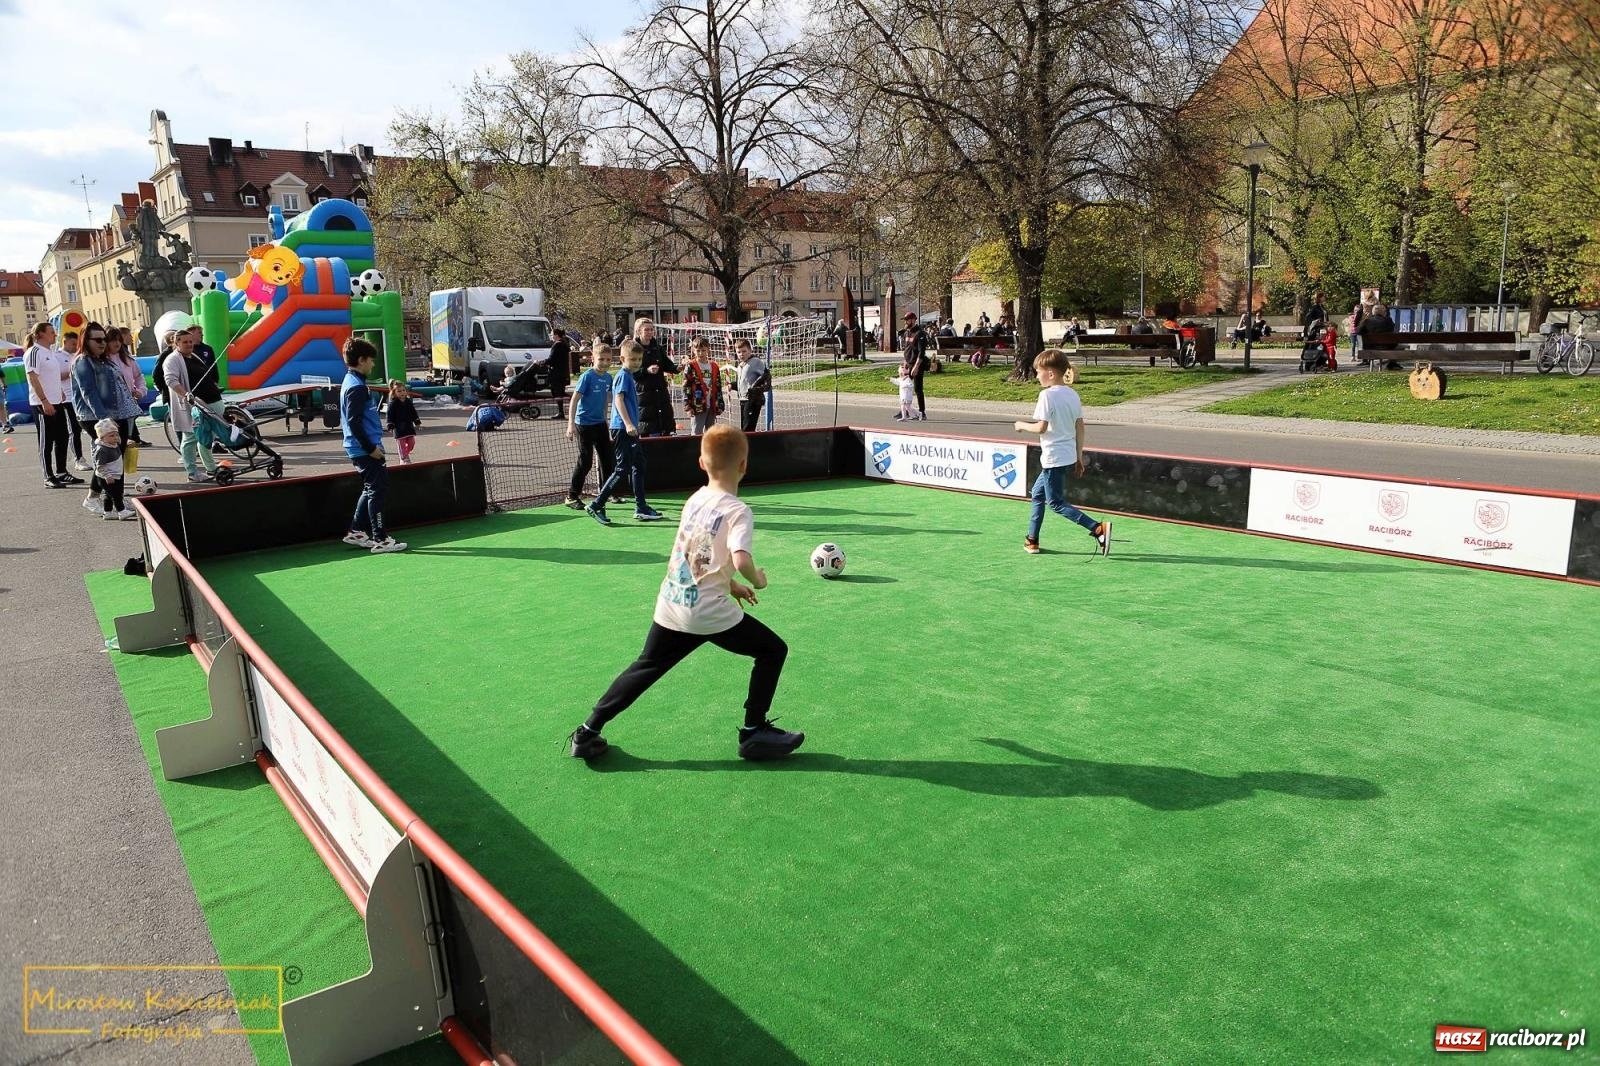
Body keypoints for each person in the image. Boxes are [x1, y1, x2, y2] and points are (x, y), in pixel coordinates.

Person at [569, 424, 802, 762]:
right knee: (773, 651)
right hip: (707, 612)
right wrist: (757, 580)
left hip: (673, 602)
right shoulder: (737, 511)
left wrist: (731, 585)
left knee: (646, 666)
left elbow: (698, 556)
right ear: (743, 465)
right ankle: (754, 732)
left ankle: (588, 731)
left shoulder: (695, 500)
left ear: (702, 463)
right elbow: (740, 559)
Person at [1013, 348, 1112, 557]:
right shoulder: (1072, 394)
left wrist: (1021, 425)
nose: (1036, 376)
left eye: (1038, 372)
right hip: (1067, 456)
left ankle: (1097, 529)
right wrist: (1078, 457)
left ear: (1050, 373)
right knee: (1037, 494)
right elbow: (1080, 427)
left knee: (1056, 503)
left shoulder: (1046, 395)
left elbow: (1041, 428)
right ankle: (1032, 540)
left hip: (1053, 457)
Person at [586, 340, 665, 526]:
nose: (636, 363)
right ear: (622, 359)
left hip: (629, 429)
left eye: (639, 359)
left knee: (639, 464)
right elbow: (618, 400)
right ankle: (597, 504)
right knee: (622, 469)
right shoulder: (623, 376)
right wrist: (628, 423)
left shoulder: (630, 375)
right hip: (623, 428)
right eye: (632, 359)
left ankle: (641, 507)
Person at [339, 337, 407, 554]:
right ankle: (381, 538)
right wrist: (371, 449)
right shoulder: (356, 388)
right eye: (371, 360)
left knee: (371, 488)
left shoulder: (351, 381)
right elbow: (354, 422)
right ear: (361, 360)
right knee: (378, 490)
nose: (373, 364)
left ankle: (357, 531)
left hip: (358, 446)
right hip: (364, 448)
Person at [70, 322, 142, 513]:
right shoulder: (83, 362)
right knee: (108, 460)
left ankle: (111, 500)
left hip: (118, 413)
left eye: (104, 339)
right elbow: (88, 392)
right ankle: (104, 502)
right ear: (86, 340)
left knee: (115, 459)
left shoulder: (103, 360)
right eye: (98, 340)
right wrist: (104, 420)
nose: (103, 343)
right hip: (96, 416)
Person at [23, 322, 80, 488]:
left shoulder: (51, 352)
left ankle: (61, 472)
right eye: (51, 332)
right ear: (41, 334)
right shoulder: (34, 352)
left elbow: (52, 376)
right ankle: (48, 475)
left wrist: (59, 391)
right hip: (42, 404)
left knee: (62, 437)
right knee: (46, 441)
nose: (55, 335)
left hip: (57, 402)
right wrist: (44, 401)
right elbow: (33, 378)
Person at [161, 329, 219, 483]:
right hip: (190, 405)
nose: (189, 344)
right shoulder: (172, 359)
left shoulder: (194, 355)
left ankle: (211, 467)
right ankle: (192, 472)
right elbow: (171, 380)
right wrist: (185, 394)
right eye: (185, 342)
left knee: (207, 436)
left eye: (190, 341)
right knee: (190, 437)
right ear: (176, 343)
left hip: (207, 402)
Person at [565, 343, 615, 509]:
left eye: (608, 360)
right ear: (593, 358)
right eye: (601, 359)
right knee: (585, 461)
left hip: (600, 423)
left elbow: (605, 400)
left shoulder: (608, 378)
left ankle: (606, 493)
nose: (605, 363)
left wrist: (605, 419)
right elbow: (574, 400)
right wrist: (571, 425)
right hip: (584, 424)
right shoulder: (587, 377)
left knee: (607, 459)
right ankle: (572, 496)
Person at [631, 317, 677, 436]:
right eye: (646, 330)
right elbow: (631, 371)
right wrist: (646, 370)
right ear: (638, 331)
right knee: (647, 426)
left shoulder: (657, 347)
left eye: (651, 329)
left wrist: (677, 368)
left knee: (664, 424)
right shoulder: (633, 348)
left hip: (660, 391)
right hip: (644, 393)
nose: (650, 332)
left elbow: (666, 364)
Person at [104, 326, 147, 446]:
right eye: (113, 340)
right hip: (109, 409)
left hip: (128, 407)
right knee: (111, 442)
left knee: (124, 442)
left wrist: (140, 391)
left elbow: (139, 377)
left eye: (119, 340)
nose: (117, 343)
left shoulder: (127, 359)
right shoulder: (100, 360)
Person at [59, 329, 91, 472]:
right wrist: (71, 372)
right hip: (67, 398)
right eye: (72, 344)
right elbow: (56, 376)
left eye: (76, 344)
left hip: (80, 397)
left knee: (88, 426)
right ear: (65, 342)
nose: (74, 346)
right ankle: (78, 459)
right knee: (74, 429)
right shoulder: (57, 357)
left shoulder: (78, 356)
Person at [91, 418, 135, 521]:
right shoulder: (102, 450)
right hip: (107, 477)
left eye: (116, 435)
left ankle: (108, 512)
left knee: (109, 495)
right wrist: (107, 475)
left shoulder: (113, 444)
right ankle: (122, 511)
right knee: (116, 495)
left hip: (115, 475)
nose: (115, 438)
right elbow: (100, 466)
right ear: (102, 437)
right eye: (111, 436)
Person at [680, 336, 724, 434]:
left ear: (708, 349)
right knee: (697, 432)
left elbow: (718, 386)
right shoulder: (690, 366)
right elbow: (686, 387)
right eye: (698, 350)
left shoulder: (714, 366)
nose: (701, 353)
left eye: (703, 350)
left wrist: (720, 404)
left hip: (712, 404)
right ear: (693, 350)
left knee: (711, 433)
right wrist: (687, 406)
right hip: (697, 405)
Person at [730, 338, 769, 434]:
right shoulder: (740, 366)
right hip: (743, 399)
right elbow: (743, 382)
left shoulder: (756, 362)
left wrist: (757, 389)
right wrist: (732, 385)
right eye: (739, 352)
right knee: (744, 427)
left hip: (752, 400)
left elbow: (766, 377)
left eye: (744, 351)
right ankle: (747, 442)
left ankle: (749, 443)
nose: (741, 354)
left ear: (750, 350)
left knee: (748, 428)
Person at [899, 311, 930, 420]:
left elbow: (921, 352)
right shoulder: (907, 333)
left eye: (907, 320)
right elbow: (907, 349)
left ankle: (922, 412)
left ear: (913, 320)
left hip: (917, 365)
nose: (905, 322)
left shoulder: (919, 334)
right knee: (904, 388)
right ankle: (905, 411)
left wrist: (916, 367)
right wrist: (904, 363)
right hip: (908, 364)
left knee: (918, 389)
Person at [386, 379, 422, 464]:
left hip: (409, 427)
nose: (402, 393)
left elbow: (413, 412)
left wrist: (417, 422)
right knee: (401, 445)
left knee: (412, 443)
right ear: (394, 393)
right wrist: (390, 425)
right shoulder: (393, 404)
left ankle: (405, 454)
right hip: (398, 428)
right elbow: (389, 415)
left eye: (403, 390)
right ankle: (403, 459)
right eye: (399, 391)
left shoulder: (408, 402)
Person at [1355, 302, 1400, 370]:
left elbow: (1358, 331)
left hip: (1370, 347)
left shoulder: (1367, 321)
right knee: (1399, 346)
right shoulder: (1389, 321)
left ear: (1373, 312)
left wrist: (1364, 322)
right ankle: (1392, 363)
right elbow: (1392, 329)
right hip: (1387, 347)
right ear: (1383, 313)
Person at [548, 327, 572, 399]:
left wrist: (541, 362)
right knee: (561, 392)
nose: (551, 336)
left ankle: (574, 401)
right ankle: (572, 401)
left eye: (552, 334)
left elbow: (551, 359)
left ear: (556, 335)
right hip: (564, 372)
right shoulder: (565, 344)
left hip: (557, 373)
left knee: (557, 393)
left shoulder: (557, 345)